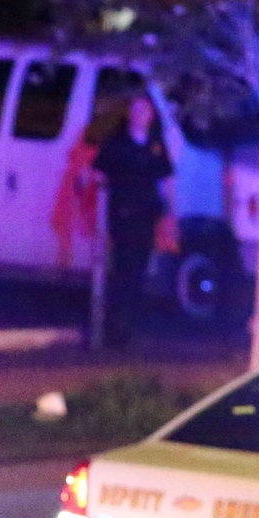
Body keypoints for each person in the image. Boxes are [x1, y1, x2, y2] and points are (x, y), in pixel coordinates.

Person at [90, 93, 174, 347]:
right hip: (123, 215)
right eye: (136, 110)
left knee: (139, 272)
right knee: (123, 271)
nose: (140, 115)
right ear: (131, 114)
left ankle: (130, 329)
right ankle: (116, 331)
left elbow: (166, 177)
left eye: (145, 110)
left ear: (151, 115)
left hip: (147, 215)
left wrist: (169, 210)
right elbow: (96, 171)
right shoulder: (118, 141)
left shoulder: (155, 143)